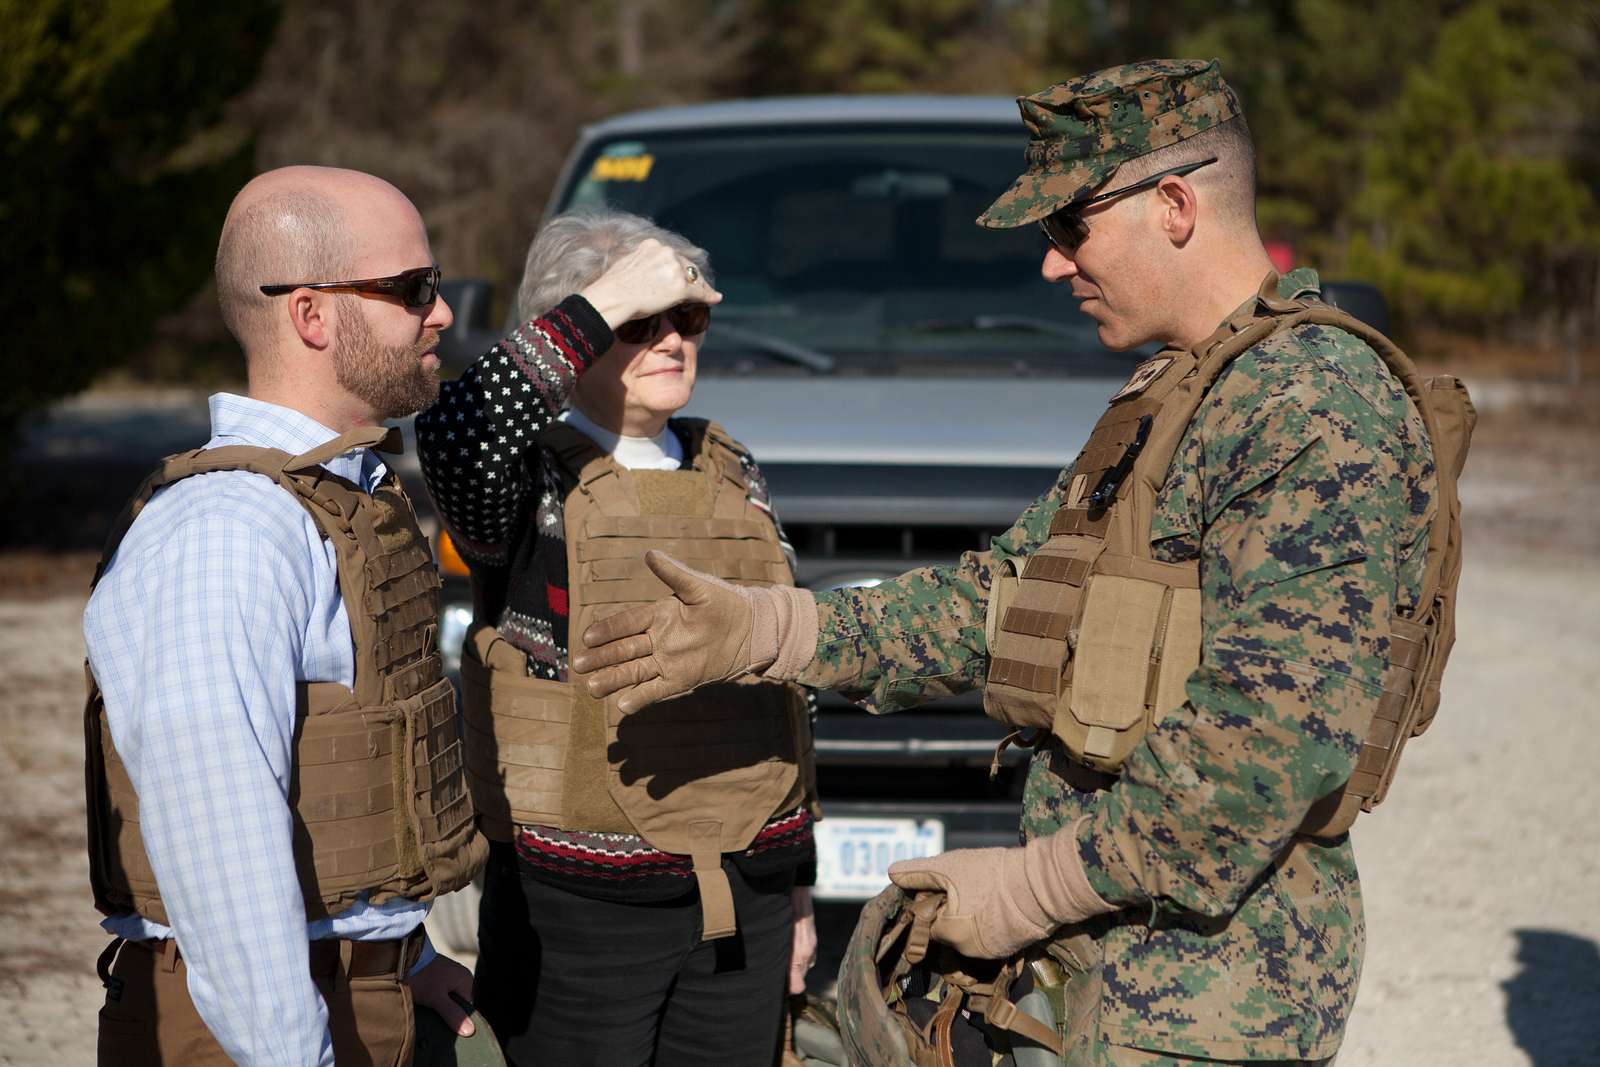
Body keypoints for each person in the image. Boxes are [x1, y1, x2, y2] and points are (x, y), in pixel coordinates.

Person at [575, 59, 1457, 1066]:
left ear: (1174, 205)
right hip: (1105, 976)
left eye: (1067, 227)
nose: (1050, 266)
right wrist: (776, 627)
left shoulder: (1311, 406)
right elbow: (1003, 601)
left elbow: (1262, 751)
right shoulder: (1180, 392)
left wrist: (1031, 888)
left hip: (1208, 999)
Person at [82, 165, 497, 1065]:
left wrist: (406, 954)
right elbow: (220, 851)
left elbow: (346, 778)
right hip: (264, 1029)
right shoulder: (228, 534)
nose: (441, 313)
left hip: (356, 991)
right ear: (312, 314)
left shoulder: (337, 499)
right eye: (410, 289)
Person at [414, 208, 821, 1067]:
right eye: (641, 322)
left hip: (744, 891)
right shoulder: (526, 483)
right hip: (576, 914)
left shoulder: (730, 465)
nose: (673, 340)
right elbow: (452, 433)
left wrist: (800, 887)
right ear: (579, 328)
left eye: (689, 318)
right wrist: (602, 300)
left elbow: (786, 692)